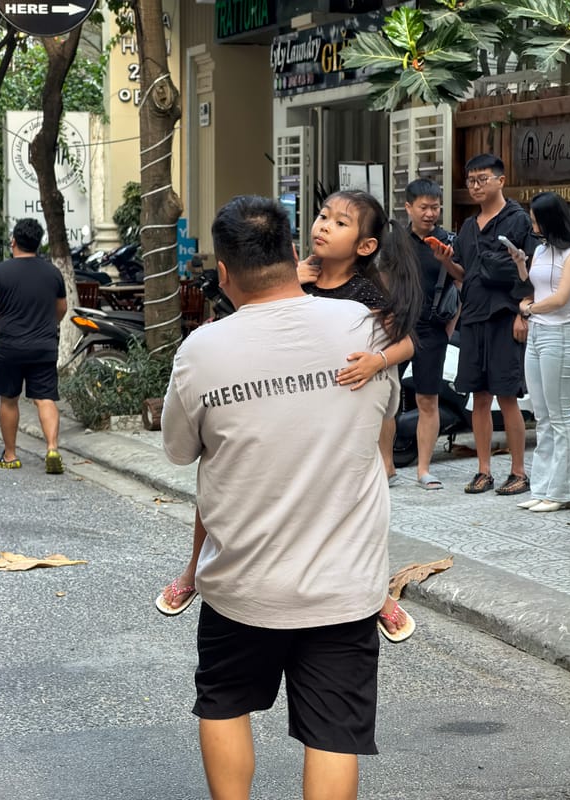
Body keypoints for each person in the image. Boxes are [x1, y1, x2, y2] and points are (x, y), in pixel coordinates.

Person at [161, 194, 403, 800]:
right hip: (344, 584)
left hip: (242, 582)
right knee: (333, 735)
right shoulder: (365, 328)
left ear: (223, 272)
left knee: (224, 703)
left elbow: (181, 450)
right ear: (294, 250)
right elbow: (383, 415)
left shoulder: (202, 350)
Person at [158, 190, 422, 643]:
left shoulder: (366, 305)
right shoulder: (304, 280)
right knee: (222, 476)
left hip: (344, 411)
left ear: (365, 247)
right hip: (279, 419)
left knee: (360, 487)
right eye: (322, 216)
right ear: (293, 253)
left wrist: (378, 360)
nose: (325, 226)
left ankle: (377, 588)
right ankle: (194, 570)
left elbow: (406, 341)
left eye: (340, 223)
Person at [431, 154, 537, 495]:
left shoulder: (518, 221)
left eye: (482, 179)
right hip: (474, 317)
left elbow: (532, 271)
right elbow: (464, 276)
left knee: (507, 396)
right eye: (471, 180)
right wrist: (447, 263)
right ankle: (483, 470)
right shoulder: (468, 227)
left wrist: (523, 314)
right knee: (478, 396)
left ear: (500, 181)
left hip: (505, 317)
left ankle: (518, 472)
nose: (475, 186)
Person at [382, 179, 459, 490]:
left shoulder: (448, 241)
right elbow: (384, 281)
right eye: (424, 207)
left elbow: (462, 282)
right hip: (398, 326)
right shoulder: (394, 241)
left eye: (435, 207)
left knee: (428, 398)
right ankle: (387, 466)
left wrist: (450, 327)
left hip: (432, 328)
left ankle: (424, 469)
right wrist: (385, 317)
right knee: (387, 398)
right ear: (408, 207)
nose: (430, 213)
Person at [0, 218, 67, 474]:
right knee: (45, 398)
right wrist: (48, 325)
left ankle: (10, 455)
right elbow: (62, 308)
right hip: (44, 345)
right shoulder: (53, 272)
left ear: (14, 241)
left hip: (11, 345)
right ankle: (52, 448)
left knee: (9, 400)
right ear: (38, 243)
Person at [507, 192, 570, 512]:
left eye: (535, 219)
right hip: (537, 334)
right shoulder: (541, 250)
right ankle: (543, 487)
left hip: (560, 334)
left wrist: (530, 309)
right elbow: (533, 287)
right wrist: (521, 264)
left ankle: (562, 491)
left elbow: (560, 299)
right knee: (542, 415)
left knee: (561, 416)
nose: (532, 225)